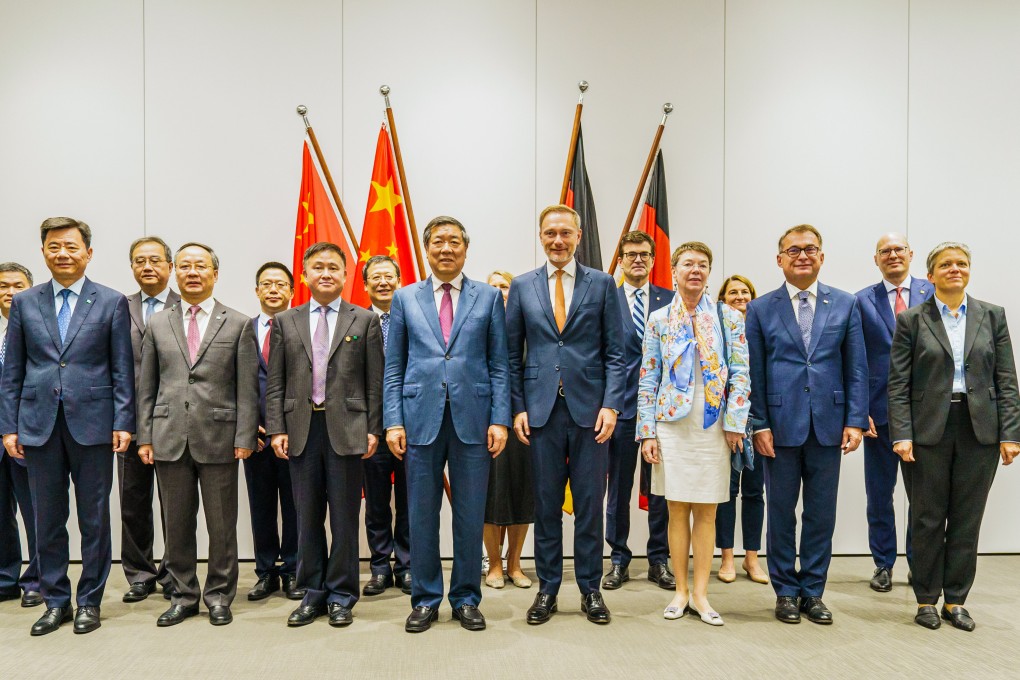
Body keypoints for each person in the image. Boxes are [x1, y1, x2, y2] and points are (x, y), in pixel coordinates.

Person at [0, 217, 134, 636]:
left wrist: (124, 419)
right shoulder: (25, 303)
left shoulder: (110, 302)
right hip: (37, 425)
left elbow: (121, 368)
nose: (63, 253)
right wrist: (9, 427)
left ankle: (89, 601)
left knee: (95, 518)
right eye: (54, 246)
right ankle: (55, 600)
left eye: (71, 246)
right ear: (44, 252)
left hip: (94, 425)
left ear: (88, 253)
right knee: (47, 518)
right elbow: (13, 372)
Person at [385, 216, 509, 633]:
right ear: (426, 248)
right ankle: (424, 599)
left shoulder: (488, 297)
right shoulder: (404, 298)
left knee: (470, 515)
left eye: (454, 241)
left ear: (465, 249)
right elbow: (394, 367)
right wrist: (392, 421)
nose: (446, 248)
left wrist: (501, 419)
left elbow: (499, 365)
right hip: (419, 418)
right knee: (421, 514)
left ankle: (466, 598)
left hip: (474, 420)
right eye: (438, 241)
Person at [888, 242, 1020, 631]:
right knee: (927, 518)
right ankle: (927, 599)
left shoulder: (992, 316)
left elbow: (1007, 381)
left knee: (967, 518)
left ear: (969, 270)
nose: (955, 269)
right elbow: (898, 385)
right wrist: (902, 434)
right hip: (928, 429)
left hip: (980, 428)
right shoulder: (912, 319)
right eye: (946, 264)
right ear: (930, 275)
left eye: (962, 263)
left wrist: (1010, 433)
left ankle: (956, 600)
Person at [506, 204, 626, 626]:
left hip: (591, 412)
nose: (558, 240)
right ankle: (548, 589)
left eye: (565, 233)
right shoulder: (523, 286)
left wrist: (612, 404)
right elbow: (509, 355)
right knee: (546, 505)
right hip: (540, 412)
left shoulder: (604, 283)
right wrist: (517, 407)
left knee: (591, 504)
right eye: (550, 233)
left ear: (578, 235)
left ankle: (591, 590)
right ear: (541, 236)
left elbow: (618, 352)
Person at [745, 224, 868, 626]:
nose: (802, 255)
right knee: (780, 512)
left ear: (822, 256)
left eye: (810, 249)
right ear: (779, 259)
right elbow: (754, 373)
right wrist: (758, 423)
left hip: (829, 425)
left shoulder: (846, 304)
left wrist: (854, 420)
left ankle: (812, 590)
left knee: (821, 513)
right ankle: (784, 591)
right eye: (793, 250)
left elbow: (857, 368)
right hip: (778, 427)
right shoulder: (761, 308)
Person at [136, 242, 259, 627]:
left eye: (200, 266)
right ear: (175, 272)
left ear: (214, 274)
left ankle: (220, 595)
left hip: (220, 437)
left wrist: (244, 436)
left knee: (222, 525)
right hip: (168, 435)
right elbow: (147, 384)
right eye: (185, 266)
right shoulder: (158, 322)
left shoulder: (237, 322)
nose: (192, 272)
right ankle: (183, 594)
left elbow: (246, 388)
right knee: (176, 523)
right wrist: (145, 436)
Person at [267, 242, 383, 629]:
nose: (326, 273)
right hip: (301, 428)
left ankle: (342, 594)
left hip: (348, 430)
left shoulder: (363, 320)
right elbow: (276, 382)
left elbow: (374, 383)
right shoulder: (286, 321)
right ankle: (312, 592)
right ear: (305, 275)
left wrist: (373, 428)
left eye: (334, 267)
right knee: (306, 517)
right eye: (318, 267)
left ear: (346, 275)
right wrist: (277, 428)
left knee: (345, 518)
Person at [638, 243, 750, 626]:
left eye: (703, 265)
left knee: (707, 510)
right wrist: (646, 432)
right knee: (676, 509)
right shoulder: (658, 319)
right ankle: (680, 591)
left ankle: (701, 593)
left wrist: (735, 423)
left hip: (713, 424)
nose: (696, 270)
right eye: (688, 264)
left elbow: (740, 373)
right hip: (671, 425)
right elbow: (649, 376)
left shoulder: (729, 317)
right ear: (673, 270)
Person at [855, 234, 931, 592]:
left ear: (911, 255)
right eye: (885, 251)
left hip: (925, 417)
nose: (893, 255)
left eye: (899, 249)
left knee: (923, 498)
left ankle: (920, 564)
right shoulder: (861, 301)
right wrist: (859, 411)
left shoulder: (932, 294)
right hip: (878, 416)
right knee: (879, 496)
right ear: (876, 260)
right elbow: (855, 360)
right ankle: (883, 564)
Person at [604, 232, 675, 592]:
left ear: (653, 259)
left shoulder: (672, 300)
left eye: (644, 255)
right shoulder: (606, 299)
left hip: (663, 414)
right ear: (620, 260)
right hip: (620, 410)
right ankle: (618, 558)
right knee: (619, 487)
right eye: (630, 255)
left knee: (660, 489)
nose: (637, 261)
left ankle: (659, 559)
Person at [121, 237, 178, 604]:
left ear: (170, 267)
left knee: (175, 502)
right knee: (132, 501)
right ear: (132, 267)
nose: (148, 267)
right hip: (128, 420)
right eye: (140, 261)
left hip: (175, 419)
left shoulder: (185, 305)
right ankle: (140, 574)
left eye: (155, 260)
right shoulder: (117, 307)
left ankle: (174, 570)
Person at [245, 262, 301, 602]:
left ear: (292, 291)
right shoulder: (243, 329)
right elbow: (235, 383)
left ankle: (294, 569)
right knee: (260, 505)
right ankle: (265, 571)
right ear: (257, 291)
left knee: (296, 505)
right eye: (266, 284)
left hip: (296, 434)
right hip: (255, 436)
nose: (273, 290)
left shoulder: (303, 328)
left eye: (281, 284)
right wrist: (248, 424)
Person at [713, 274, 769, 585]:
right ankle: (726, 557)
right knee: (727, 492)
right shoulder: (719, 331)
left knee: (754, 491)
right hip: (726, 423)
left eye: (745, 292)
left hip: (758, 421)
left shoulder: (761, 329)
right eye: (732, 292)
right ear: (722, 299)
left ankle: (752, 558)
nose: (739, 297)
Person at [361, 255, 411, 597]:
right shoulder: (356, 322)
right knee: (376, 501)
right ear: (365, 285)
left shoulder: (415, 319)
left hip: (412, 426)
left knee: (410, 500)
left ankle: (407, 565)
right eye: (375, 277)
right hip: (371, 430)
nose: (382, 282)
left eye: (388, 276)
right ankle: (380, 566)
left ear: (399, 280)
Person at [483, 269, 534, 590]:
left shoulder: (528, 327)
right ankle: (495, 565)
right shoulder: (477, 327)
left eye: (505, 286)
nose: (500, 291)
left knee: (521, 495)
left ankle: (515, 564)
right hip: (485, 423)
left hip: (523, 422)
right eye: (494, 287)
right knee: (489, 497)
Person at [0, 262, 42, 609]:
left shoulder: (39, 330)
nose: (10, 291)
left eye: (17, 285)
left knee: (39, 513)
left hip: (30, 436)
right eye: (2, 285)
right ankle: (5, 578)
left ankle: (39, 579)